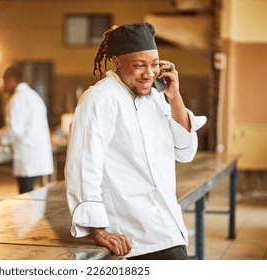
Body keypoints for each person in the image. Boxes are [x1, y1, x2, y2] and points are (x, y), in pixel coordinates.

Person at [65, 23, 206, 260]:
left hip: (168, 225)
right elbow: (83, 164)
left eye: (154, 64)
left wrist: (174, 96)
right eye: (139, 65)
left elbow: (185, 152)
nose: (149, 74)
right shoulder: (100, 98)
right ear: (117, 61)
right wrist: (96, 228)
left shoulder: (156, 97)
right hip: (132, 235)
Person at [0, 65, 54, 194]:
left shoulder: (17, 98)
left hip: (28, 156)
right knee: (32, 198)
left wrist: (0, 136)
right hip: (37, 155)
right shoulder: (33, 95)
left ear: (11, 80)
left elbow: (14, 130)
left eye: (2, 81)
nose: (1, 85)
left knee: (26, 199)